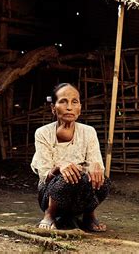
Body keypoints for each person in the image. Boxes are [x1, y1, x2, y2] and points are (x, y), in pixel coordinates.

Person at [30, 83, 111, 231]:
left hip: (80, 196)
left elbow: (97, 164)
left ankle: (89, 216)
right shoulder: (42, 133)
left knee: (102, 181)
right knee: (65, 178)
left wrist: (94, 167)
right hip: (50, 193)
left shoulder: (88, 132)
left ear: (80, 108)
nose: (69, 107)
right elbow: (44, 174)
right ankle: (50, 215)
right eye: (63, 101)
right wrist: (60, 167)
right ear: (53, 108)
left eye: (74, 102)